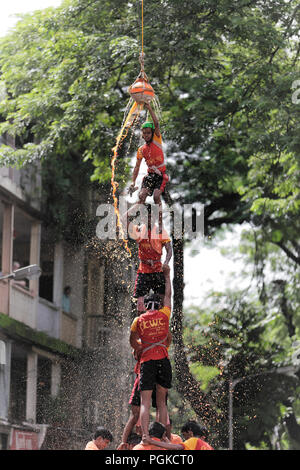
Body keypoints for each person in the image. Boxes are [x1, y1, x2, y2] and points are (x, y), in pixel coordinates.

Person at [129, 264, 172, 442]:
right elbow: (168, 295)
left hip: (147, 361)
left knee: (145, 401)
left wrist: (139, 348)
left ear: (145, 306)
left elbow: (132, 340)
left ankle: (146, 435)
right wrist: (167, 276)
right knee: (161, 402)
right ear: (158, 305)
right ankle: (161, 436)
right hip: (163, 359)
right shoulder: (164, 315)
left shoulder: (138, 320)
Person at [123, 203, 172, 313]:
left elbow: (169, 250)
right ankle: (139, 323)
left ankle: (160, 325)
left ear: (155, 217)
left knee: (162, 302)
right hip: (143, 270)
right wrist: (137, 205)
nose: (149, 219)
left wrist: (166, 262)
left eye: (151, 216)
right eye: (146, 216)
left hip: (158, 269)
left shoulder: (161, 232)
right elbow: (123, 219)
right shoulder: (139, 230)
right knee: (139, 303)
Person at [129, 102, 169, 211]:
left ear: (152, 134)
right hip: (150, 175)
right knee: (141, 196)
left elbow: (156, 123)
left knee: (156, 196)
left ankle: (161, 224)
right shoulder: (141, 149)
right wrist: (133, 182)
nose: (146, 135)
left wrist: (149, 108)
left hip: (161, 175)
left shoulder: (157, 140)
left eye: (148, 133)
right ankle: (135, 219)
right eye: (144, 133)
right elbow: (137, 167)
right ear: (142, 134)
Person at [145, 420, 214, 451]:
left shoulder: (194, 440)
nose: (185, 439)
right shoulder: (208, 446)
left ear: (190, 432)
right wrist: (167, 441)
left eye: (184, 435)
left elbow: (177, 447)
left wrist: (151, 441)